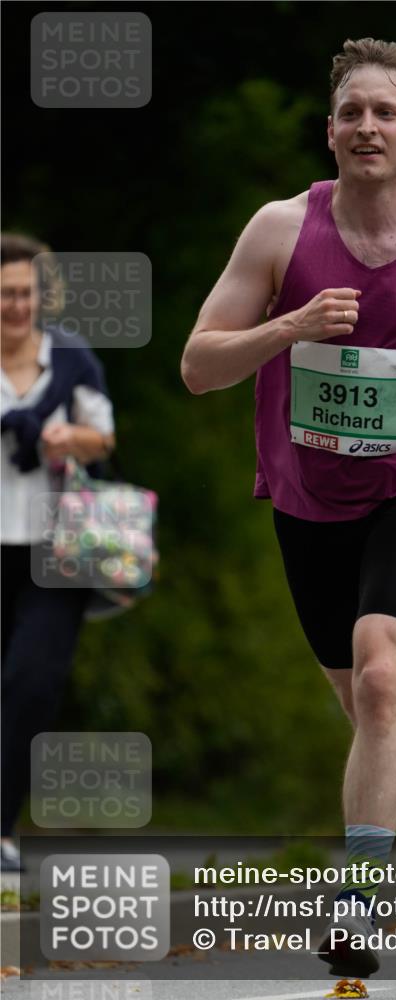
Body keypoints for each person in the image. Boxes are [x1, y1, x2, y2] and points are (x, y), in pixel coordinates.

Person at [182, 38, 396, 976]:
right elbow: (198, 365)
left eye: (384, 112)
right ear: (328, 133)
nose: (366, 126)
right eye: (349, 113)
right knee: (363, 700)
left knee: (383, 678)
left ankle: (359, 900)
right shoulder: (279, 231)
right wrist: (290, 326)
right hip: (309, 491)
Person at [1, 233, 116, 871]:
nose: (16, 306)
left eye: (25, 294)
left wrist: (71, 436)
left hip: (55, 549)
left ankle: (0, 828)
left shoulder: (71, 356)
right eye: (4, 296)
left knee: (31, 684)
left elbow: (104, 437)